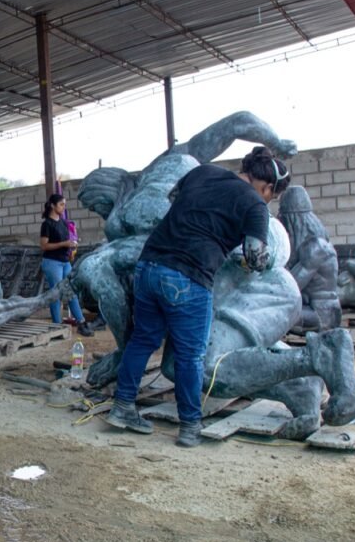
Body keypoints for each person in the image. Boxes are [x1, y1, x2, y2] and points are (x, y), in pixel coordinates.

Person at [72, 111, 298, 387]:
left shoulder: (125, 218)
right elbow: (238, 122)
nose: (100, 214)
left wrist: (122, 348)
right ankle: (300, 375)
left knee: (184, 359)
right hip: (254, 247)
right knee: (215, 337)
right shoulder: (172, 163)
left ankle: (172, 413)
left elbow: (112, 269)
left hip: (196, 267)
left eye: (95, 208)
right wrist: (276, 142)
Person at [106, 146, 292, 447]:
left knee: (143, 339)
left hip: (149, 265)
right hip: (188, 277)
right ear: (267, 186)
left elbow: (172, 200)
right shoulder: (255, 206)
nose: (269, 199)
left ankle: (122, 407)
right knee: (191, 355)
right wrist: (242, 255)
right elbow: (256, 256)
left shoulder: (203, 171)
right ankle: (190, 426)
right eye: (272, 194)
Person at [278, 186, 342, 331]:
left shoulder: (316, 248)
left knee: (268, 315)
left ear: (293, 221)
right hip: (310, 308)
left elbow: (290, 287)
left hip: (321, 314)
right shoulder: (311, 246)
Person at [40, 194, 94, 336]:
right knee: (56, 294)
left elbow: (68, 241)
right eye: (61, 204)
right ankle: (57, 326)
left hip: (65, 262)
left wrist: (72, 246)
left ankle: (81, 323)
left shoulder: (64, 223)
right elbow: (44, 246)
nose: (64, 207)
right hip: (52, 263)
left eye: (64, 204)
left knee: (71, 292)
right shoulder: (47, 224)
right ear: (53, 205)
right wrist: (64, 244)